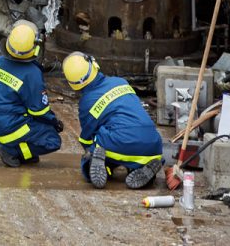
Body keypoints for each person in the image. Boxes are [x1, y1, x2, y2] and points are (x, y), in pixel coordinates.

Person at [62, 51, 163, 189]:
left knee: (98, 143)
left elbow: (87, 137)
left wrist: (90, 151)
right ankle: (144, 168)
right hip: (154, 144)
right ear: (94, 64)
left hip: (120, 141)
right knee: (128, 152)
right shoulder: (120, 82)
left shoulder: (87, 102)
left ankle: (99, 164)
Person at [0, 21, 64, 167]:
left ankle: (23, 151)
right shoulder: (32, 74)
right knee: (52, 140)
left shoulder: (0, 61)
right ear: (35, 47)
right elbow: (39, 110)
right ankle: (11, 150)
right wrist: (54, 122)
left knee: (27, 119)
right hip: (6, 124)